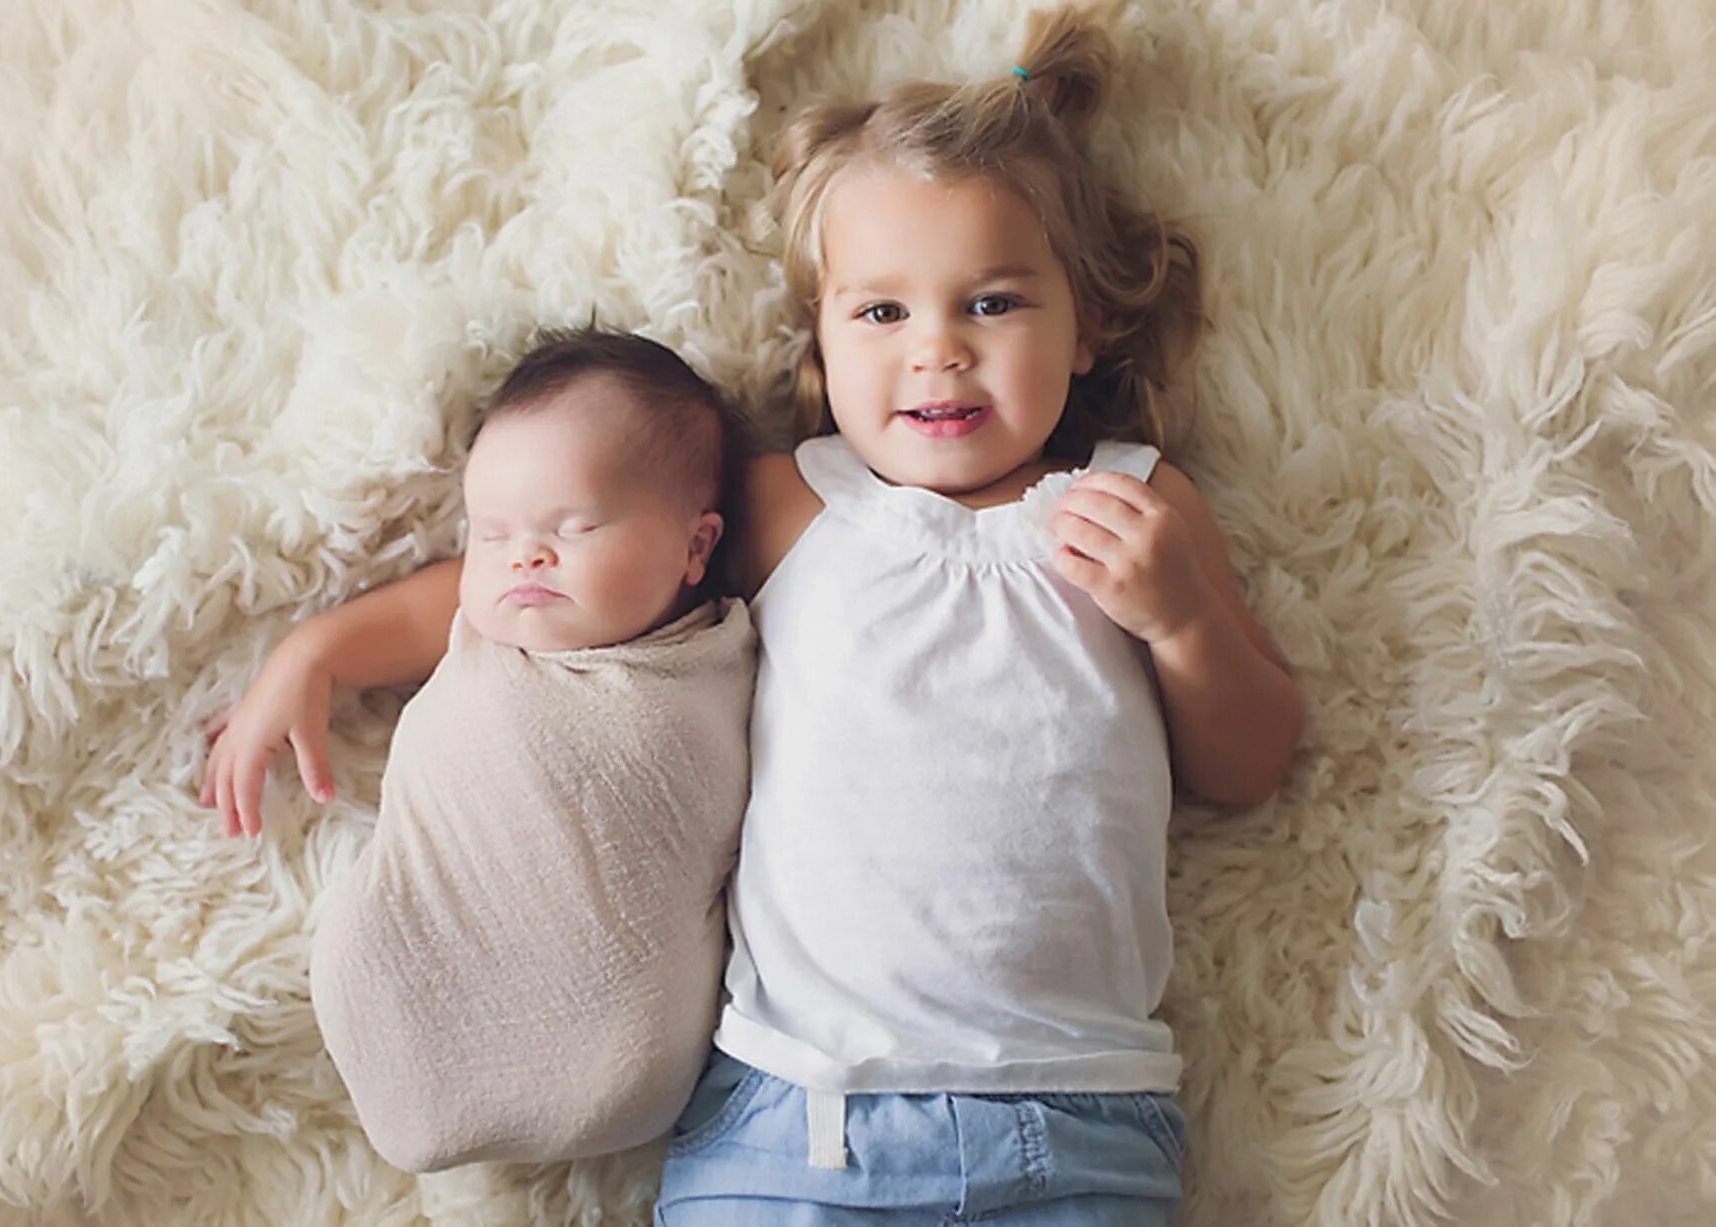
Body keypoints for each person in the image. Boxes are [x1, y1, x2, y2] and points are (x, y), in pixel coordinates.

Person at [205, 4, 1305, 1217]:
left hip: (1073, 1115)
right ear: (821, 343)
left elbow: (1249, 763)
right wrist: (321, 650)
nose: (935, 353)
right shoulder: (789, 506)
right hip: (791, 1112)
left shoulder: (1136, 507)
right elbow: (550, 568)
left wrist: (1184, 622)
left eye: (990, 304)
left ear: (1086, 317)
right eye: (882, 313)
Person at [201, 327, 757, 1171]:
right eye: (490, 533)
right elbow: (423, 613)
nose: (524, 557)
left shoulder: (714, 655)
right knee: (361, 933)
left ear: (695, 546)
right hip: (428, 939)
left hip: (619, 1036)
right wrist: (306, 655)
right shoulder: (489, 621)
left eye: (575, 525)